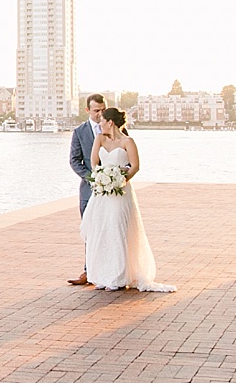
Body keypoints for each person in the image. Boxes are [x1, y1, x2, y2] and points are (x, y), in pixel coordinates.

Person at [80, 108, 176, 292]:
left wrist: (120, 181)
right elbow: (93, 163)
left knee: (117, 230)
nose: (99, 123)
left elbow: (135, 166)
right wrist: (100, 178)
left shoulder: (128, 141)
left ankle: (118, 276)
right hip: (102, 192)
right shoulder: (100, 139)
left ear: (110, 122)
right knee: (100, 230)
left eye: (102, 120)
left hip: (120, 192)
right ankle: (101, 275)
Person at [67, 93, 105, 285]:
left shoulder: (115, 129)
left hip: (111, 191)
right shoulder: (79, 132)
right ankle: (88, 271)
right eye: (96, 110)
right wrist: (91, 177)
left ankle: (109, 270)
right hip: (89, 190)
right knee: (90, 231)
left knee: (110, 231)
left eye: (102, 110)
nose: (100, 114)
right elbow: (74, 160)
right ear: (87, 110)